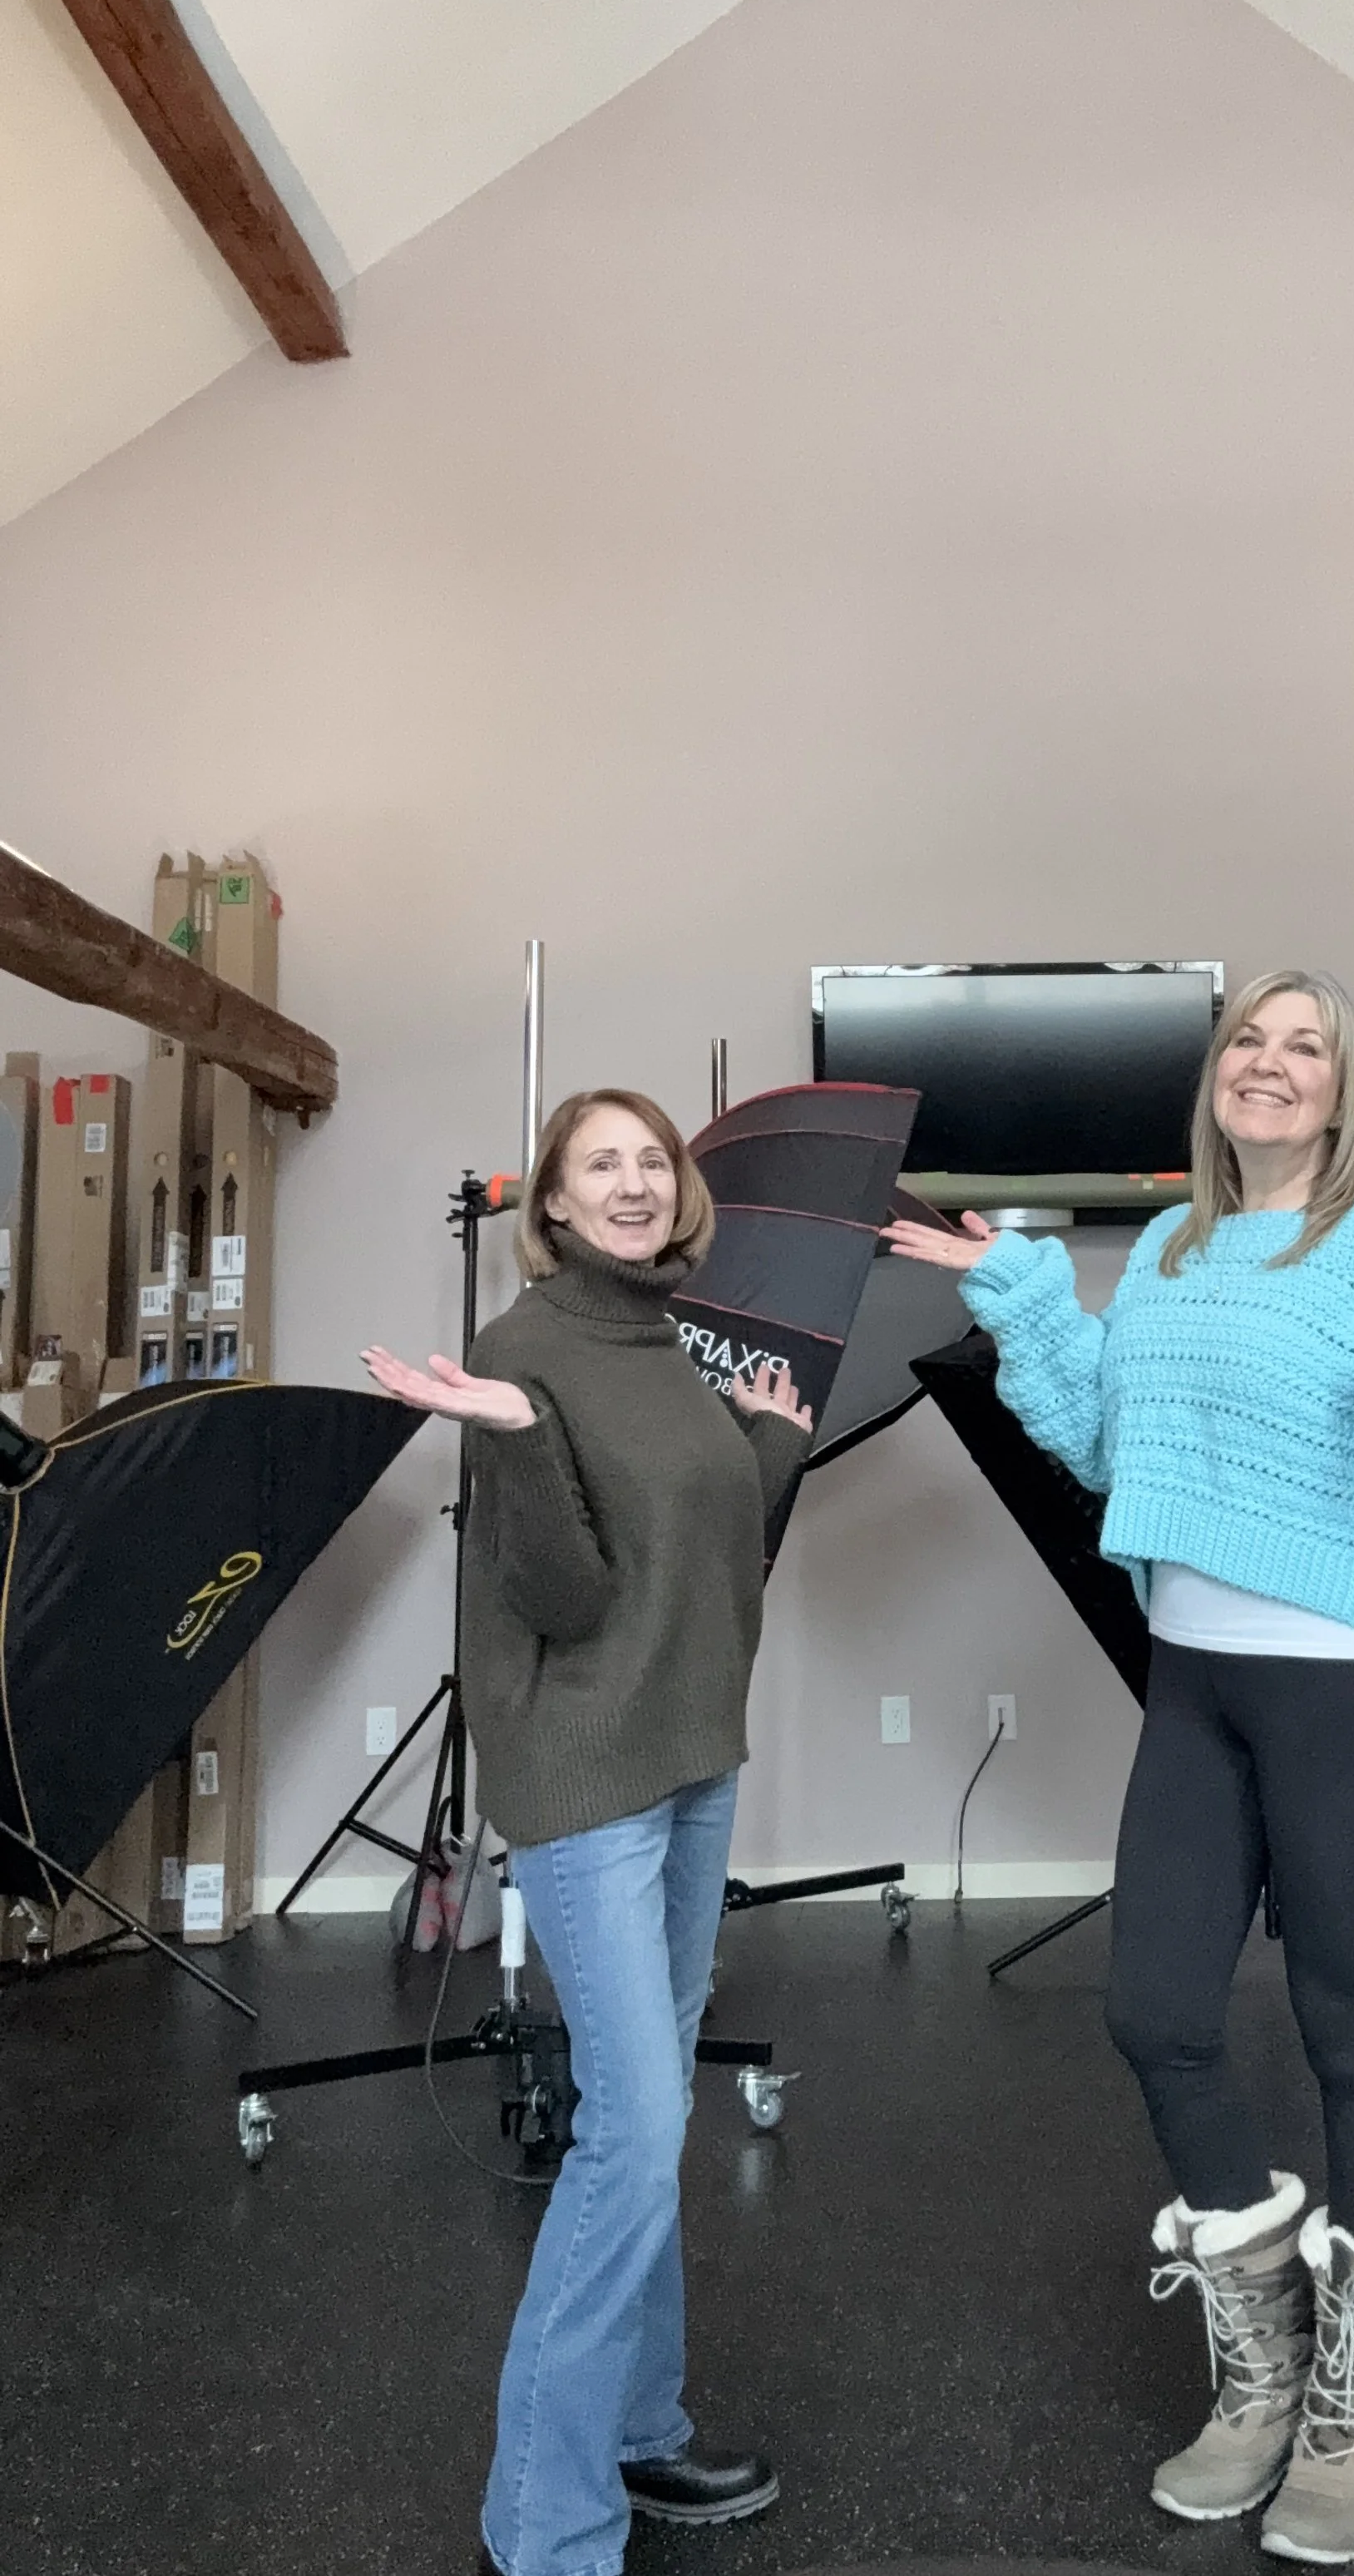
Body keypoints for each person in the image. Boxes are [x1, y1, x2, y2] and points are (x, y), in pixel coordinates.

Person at [883, 969, 1354, 2566]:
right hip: (1194, 1680)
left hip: (1346, 1686)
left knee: (1346, 2032)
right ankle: (1260, 2369)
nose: (1270, 1063)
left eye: (1303, 1047)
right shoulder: (1174, 1248)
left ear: (1341, 1089)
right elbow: (1113, 1449)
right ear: (1219, 1076)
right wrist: (1031, 1306)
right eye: (1250, 1038)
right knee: (1156, 2012)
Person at [363, 1088, 813, 2576]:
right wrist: (507, 1442)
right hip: (586, 1779)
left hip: (690, 1760)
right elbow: (566, 1597)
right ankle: (545, 2528)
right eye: (597, 1166)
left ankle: (637, 2429)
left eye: (649, 1161)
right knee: (632, 2128)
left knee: (652, 2103)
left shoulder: (671, 1344)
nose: (630, 1185)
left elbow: (707, 1570)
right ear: (549, 1207)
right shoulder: (526, 1350)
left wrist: (768, 1444)